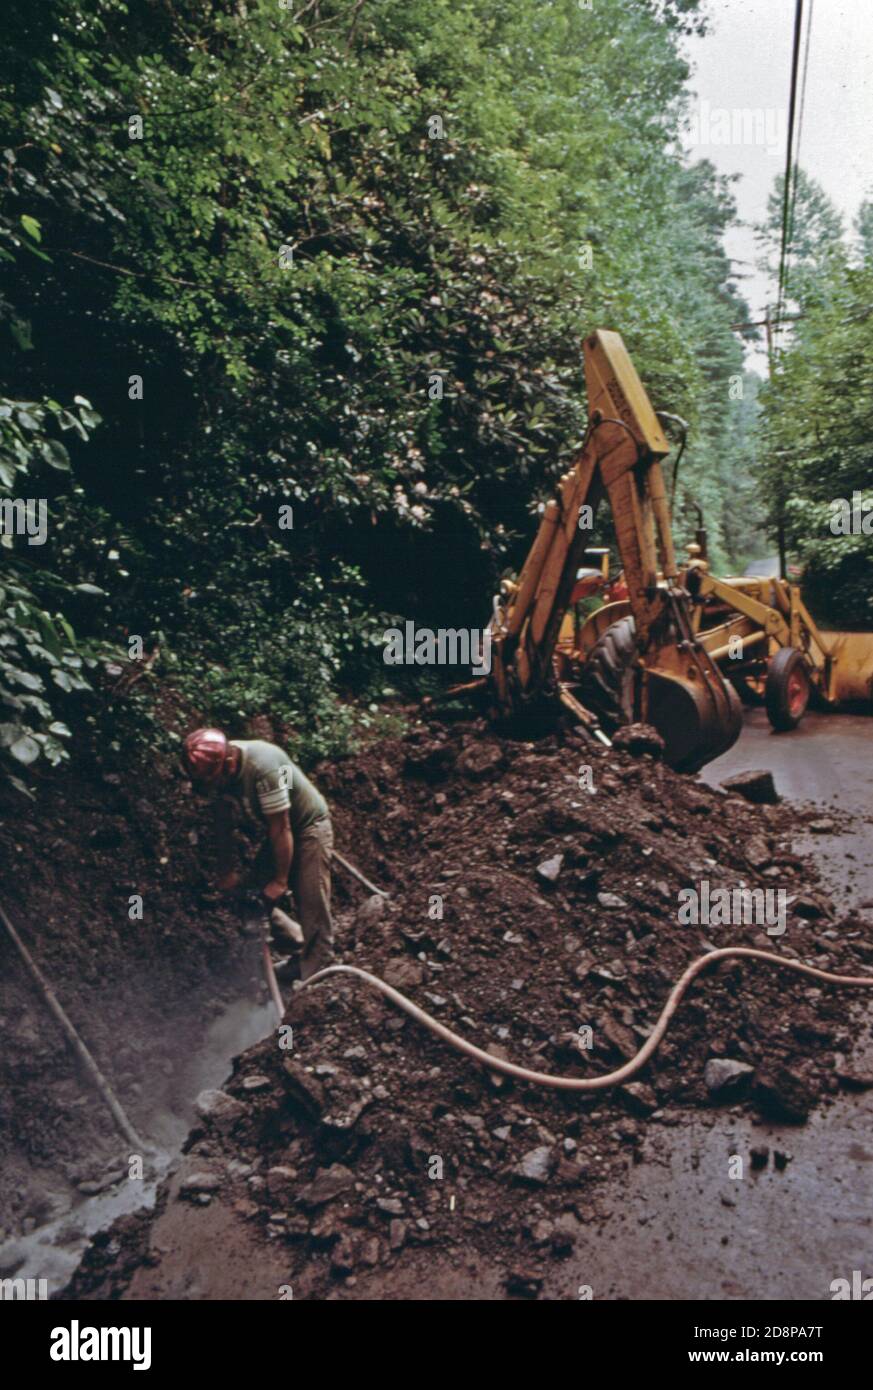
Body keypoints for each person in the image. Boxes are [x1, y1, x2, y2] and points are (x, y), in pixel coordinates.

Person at [182, 728, 335, 981]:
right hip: (280, 830)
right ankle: (298, 946)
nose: (211, 786)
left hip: (308, 827)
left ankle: (319, 977)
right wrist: (226, 873)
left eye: (213, 779)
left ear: (229, 763)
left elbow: (281, 826)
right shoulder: (218, 772)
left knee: (311, 899)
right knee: (250, 896)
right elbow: (223, 824)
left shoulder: (263, 767)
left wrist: (281, 881)